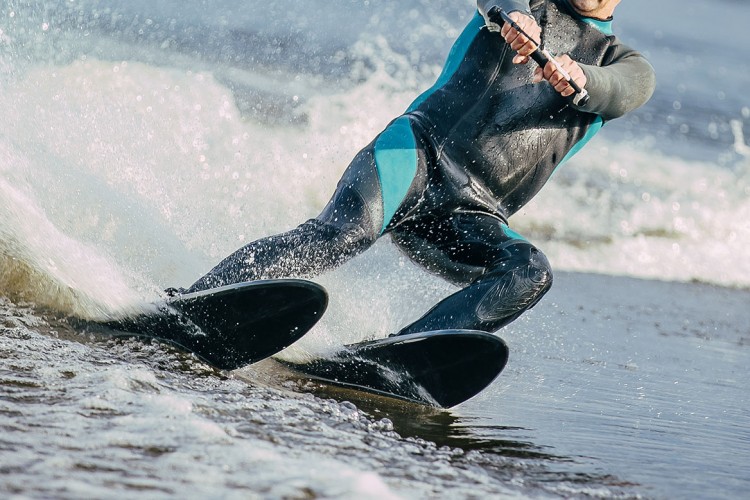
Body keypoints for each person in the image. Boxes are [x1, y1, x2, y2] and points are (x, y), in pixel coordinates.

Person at [181, 0, 655, 337]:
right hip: (414, 156)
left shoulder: (626, 64)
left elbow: (622, 88)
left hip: (471, 215)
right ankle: (190, 302)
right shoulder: (526, 3)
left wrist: (579, 76)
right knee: (341, 234)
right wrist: (513, 16)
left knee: (530, 271)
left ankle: (389, 358)